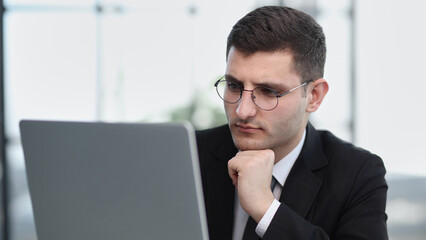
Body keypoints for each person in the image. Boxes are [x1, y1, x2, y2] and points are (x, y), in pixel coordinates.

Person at [195, 5, 388, 240]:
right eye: (234, 86)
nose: (243, 110)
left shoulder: (357, 174)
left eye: (268, 91)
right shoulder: (190, 155)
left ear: (314, 96)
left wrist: (266, 210)